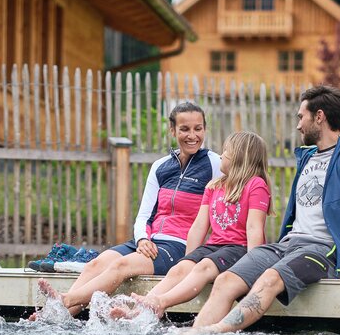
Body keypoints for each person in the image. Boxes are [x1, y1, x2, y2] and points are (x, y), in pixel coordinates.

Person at [185, 84, 340, 335]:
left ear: (319, 116)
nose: (297, 125)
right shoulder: (306, 157)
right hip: (287, 244)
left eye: (300, 116)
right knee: (225, 280)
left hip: (325, 249)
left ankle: (216, 333)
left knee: (270, 279)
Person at [30, 101, 222, 320]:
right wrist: (141, 239)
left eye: (198, 128)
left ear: (205, 129)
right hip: (148, 241)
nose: (192, 135)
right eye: (184, 129)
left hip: (178, 246)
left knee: (121, 265)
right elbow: (144, 215)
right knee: (96, 263)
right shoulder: (161, 166)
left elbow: (236, 188)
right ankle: (56, 318)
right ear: (172, 130)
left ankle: (64, 301)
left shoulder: (214, 164)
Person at [110, 131, 272, 320]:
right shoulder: (214, 186)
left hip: (239, 248)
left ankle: (160, 303)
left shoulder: (256, 185)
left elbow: (254, 228)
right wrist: (188, 261)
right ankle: (139, 311)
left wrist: (252, 267)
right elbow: (198, 227)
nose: (221, 155)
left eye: (226, 151)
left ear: (239, 157)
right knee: (180, 269)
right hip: (215, 246)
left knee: (203, 267)